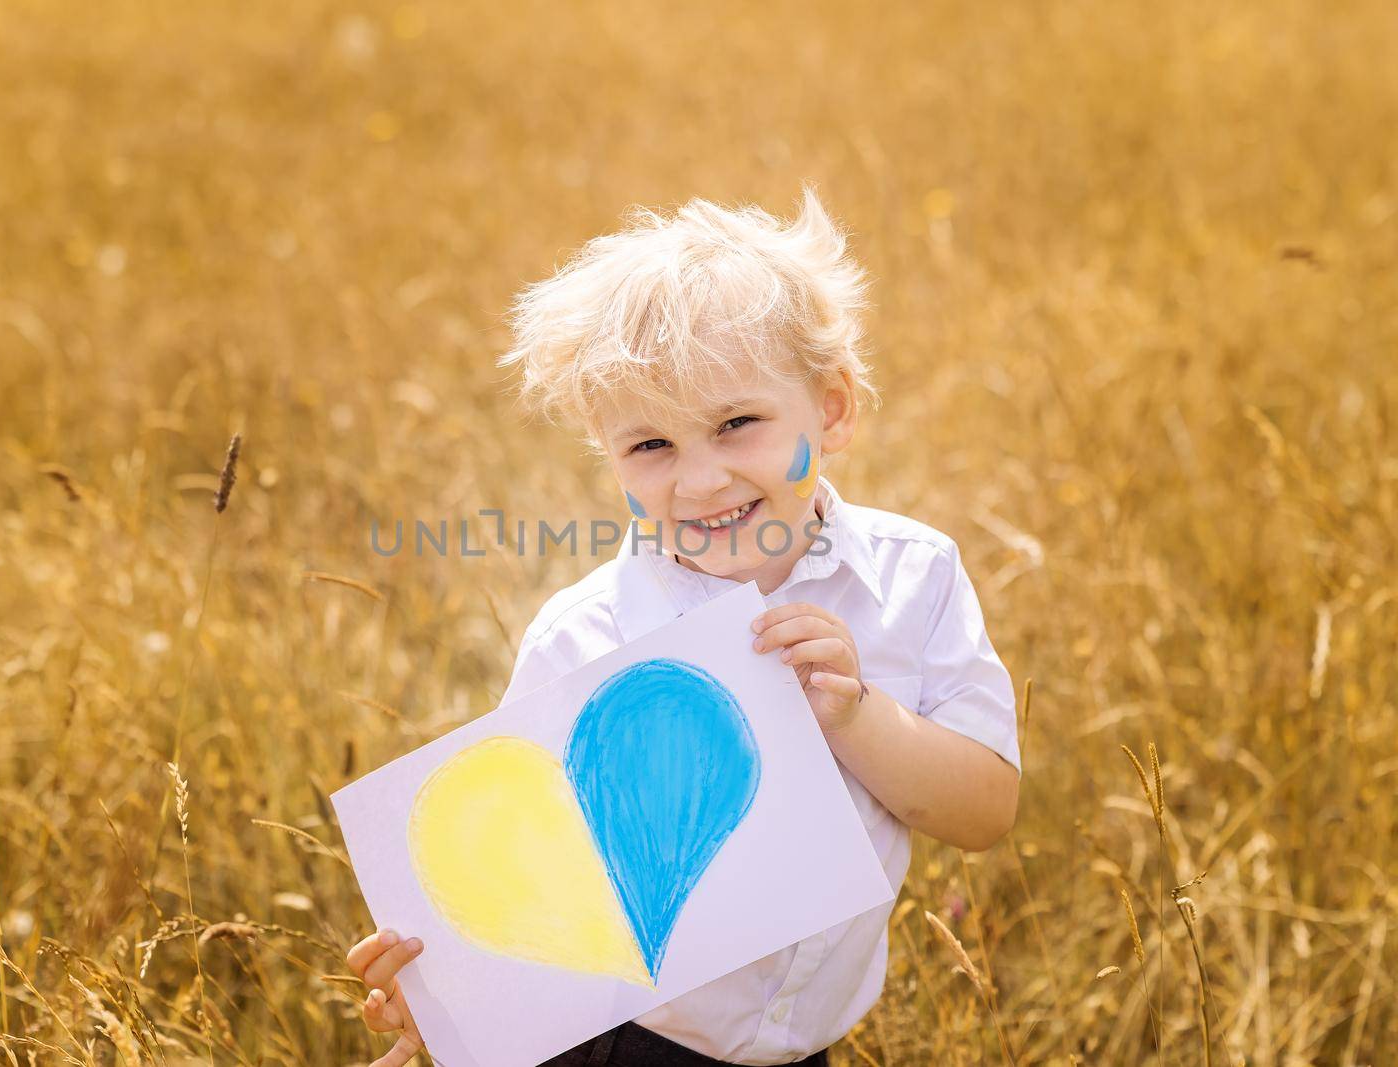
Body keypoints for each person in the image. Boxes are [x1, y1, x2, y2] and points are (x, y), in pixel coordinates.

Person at [346, 185, 1023, 1066]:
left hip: (809, 1045)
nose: (700, 481)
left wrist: (857, 719)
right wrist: (449, 996)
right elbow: (520, 859)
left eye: (736, 424)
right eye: (650, 446)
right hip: (630, 1042)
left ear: (833, 409)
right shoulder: (585, 636)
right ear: (610, 456)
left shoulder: (913, 575)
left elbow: (986, 811)